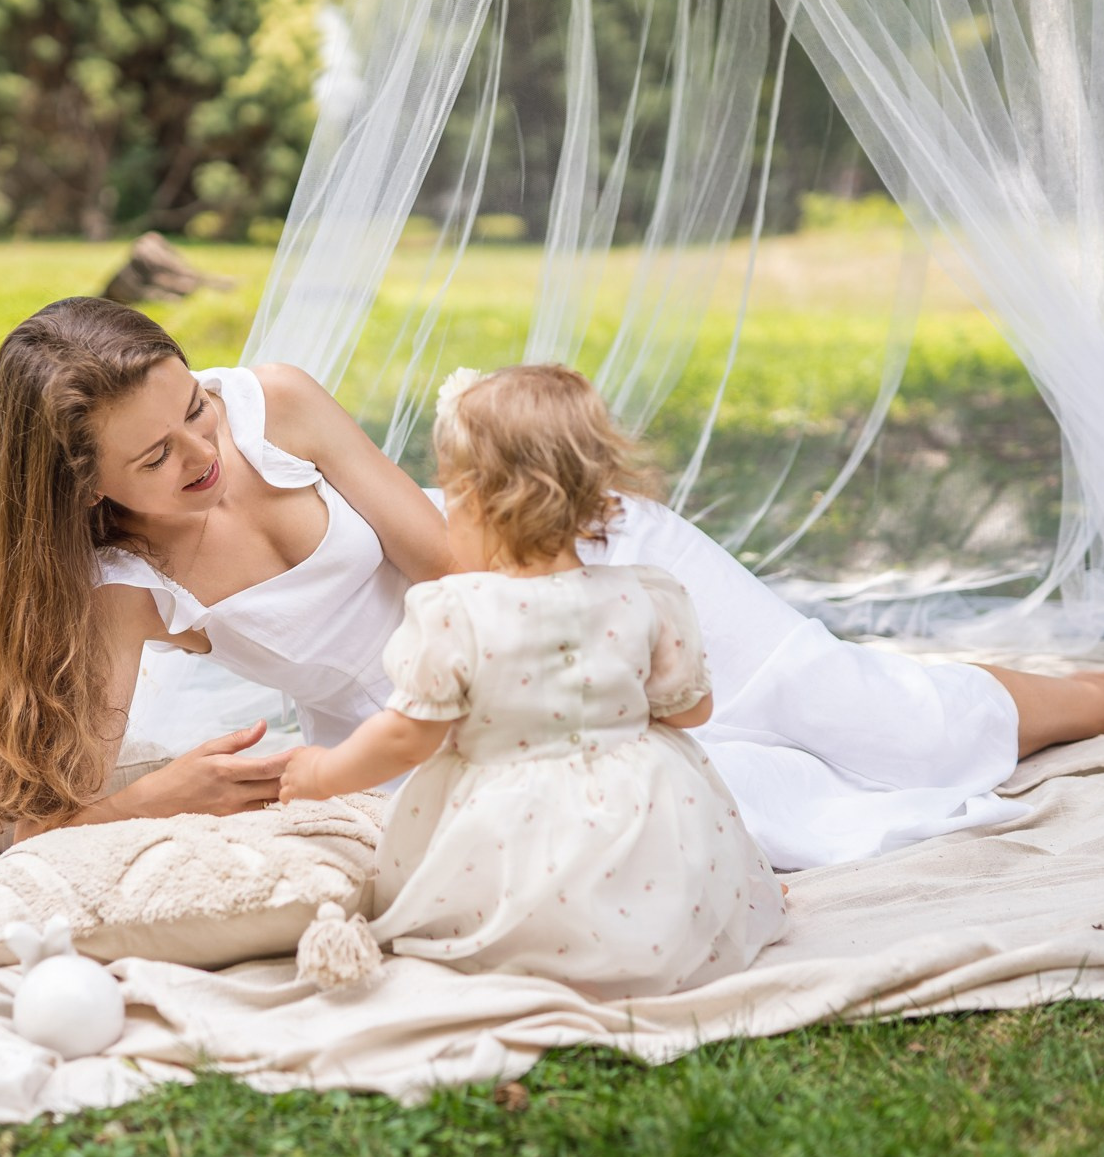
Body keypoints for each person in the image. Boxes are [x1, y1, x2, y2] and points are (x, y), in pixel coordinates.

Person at [0, 298, 1104, 867]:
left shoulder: (272, 400)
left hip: (539, 580)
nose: (205, 453)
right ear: (83, 487)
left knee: (840, 705)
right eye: (156, 458)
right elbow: (42, 810)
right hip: (448, 707)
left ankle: (1094, 699)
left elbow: (448, 556)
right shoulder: (117, 579)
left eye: (195, 412)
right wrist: (162, 795)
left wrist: (565, 600)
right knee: (734, 798)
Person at [275, 365, 786, 997]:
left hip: (510, 829)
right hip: (646, 820)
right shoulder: (644, 595)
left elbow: (407, 738)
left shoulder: (456, 613)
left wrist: (322, 774)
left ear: (473, 502)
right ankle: (685, 910)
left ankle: (536, 947)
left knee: (481, 903)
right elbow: (691, 712)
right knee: (664, 846)